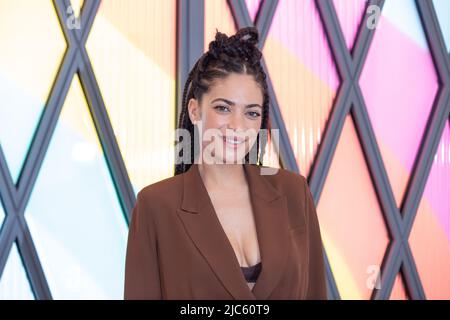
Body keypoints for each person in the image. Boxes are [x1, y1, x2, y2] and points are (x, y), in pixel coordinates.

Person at [124, 26, 327, 300]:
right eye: (223, 108)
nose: (237, 126)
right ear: (195, 111)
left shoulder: (294, 192)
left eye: (251, 113)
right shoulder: (156, 206)